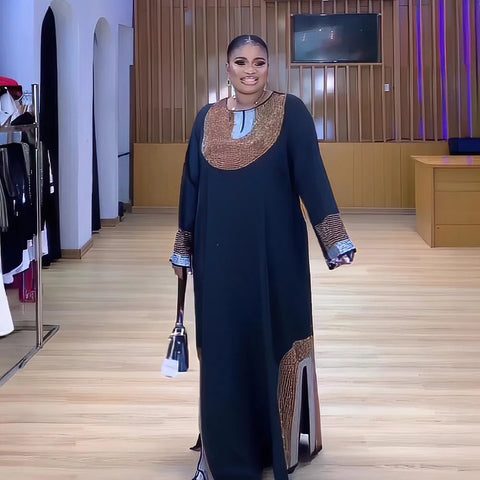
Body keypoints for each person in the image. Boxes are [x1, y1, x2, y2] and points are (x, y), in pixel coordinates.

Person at [171, 34, 355, 480]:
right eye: (240, 62)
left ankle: (277, 442)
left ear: (269, 67)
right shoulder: (206, 118)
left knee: (274, 338)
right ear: (227, 68)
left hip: (276, 256)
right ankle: (220, 453)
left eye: (258, 62)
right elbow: (192, 184)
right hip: (217, 259)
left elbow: (311, 175)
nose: (249, 70)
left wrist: (333, 237)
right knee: (223, 345)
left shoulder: (291, 112)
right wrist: (183, 245)